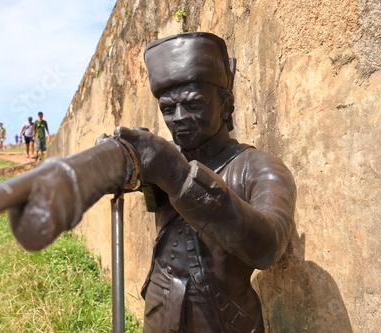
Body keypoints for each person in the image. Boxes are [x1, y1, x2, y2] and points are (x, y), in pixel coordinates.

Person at [107, 32, 296, 332]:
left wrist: (180, 176)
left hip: (224, 321)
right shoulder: (166, 159)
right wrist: (120, 162)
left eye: (193, 103)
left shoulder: (259, 167)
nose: (179, 118)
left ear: (226, 105)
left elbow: (268, 247)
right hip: (159, 312)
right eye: (168, 109)